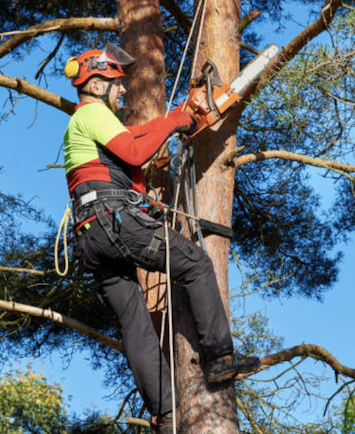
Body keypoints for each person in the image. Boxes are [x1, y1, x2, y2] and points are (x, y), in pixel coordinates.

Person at [63, 43, 260, 433]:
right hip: (112, 222)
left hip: (91, 237)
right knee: (195, 263)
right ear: (98, 83)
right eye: (117, 84)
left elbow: (133, 141)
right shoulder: (92, 114)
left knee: (134, 322)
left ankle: (166, 415)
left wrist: (179, 120)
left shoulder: (89, 127)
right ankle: (219, 359)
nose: (122, 91)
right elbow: (135, 151)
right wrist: (174, 120)